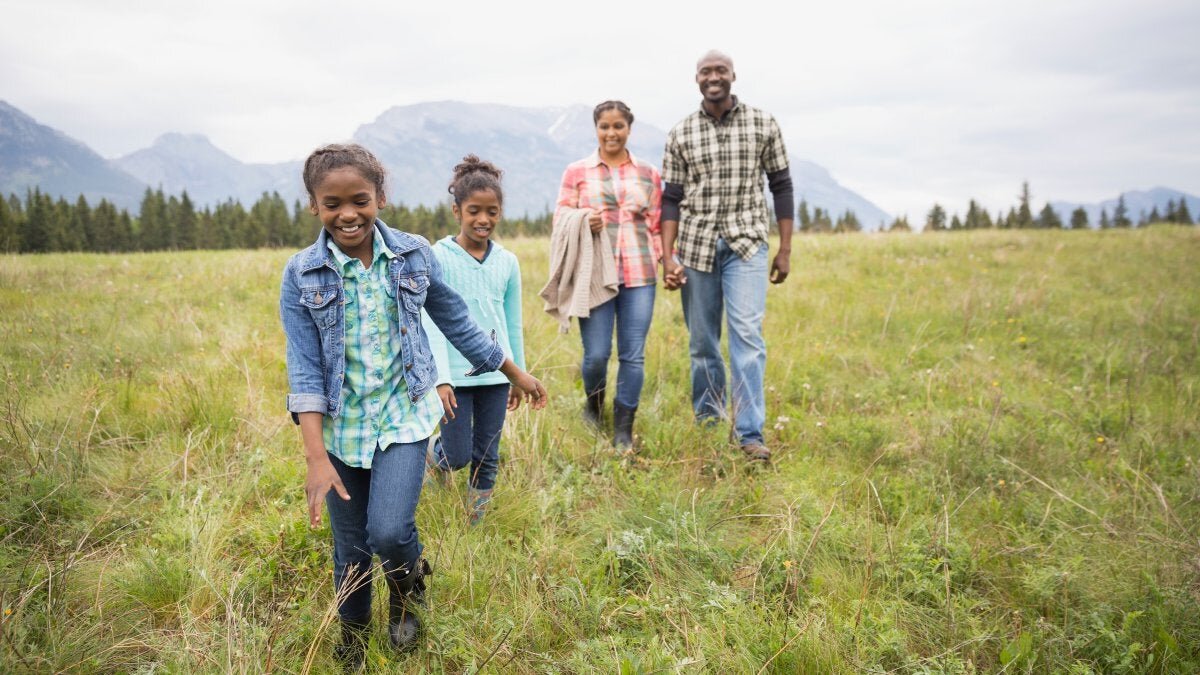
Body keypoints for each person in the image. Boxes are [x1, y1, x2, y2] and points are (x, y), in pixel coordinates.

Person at [279, 143, 547, 668]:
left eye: (360, 199)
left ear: (380, 196)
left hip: (403, 418)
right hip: (339, 431)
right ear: (314, 205)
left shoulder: (412, 254)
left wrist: (512, 369)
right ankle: (353, 635)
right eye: (332, 204)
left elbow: (457, 320)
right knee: (351, 549)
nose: (348, 214)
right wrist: (314, 457)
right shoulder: (301, 274)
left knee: (389, 531)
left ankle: (405, 595)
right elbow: (305, 370)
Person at [660, 50, 795, 462]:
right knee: (702, 344)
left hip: (747, 245)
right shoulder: (681, 132)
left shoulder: (763, 123)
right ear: (696, 79)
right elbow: (670, 199)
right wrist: (668, 257)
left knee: (747, 339)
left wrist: (785, 249)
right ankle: (709, 422)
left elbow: (782, 186)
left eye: (720, 70)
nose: (713, 77)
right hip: (697, 247)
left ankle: (750, 435)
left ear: (733, 75)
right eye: (706, 71)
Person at [554, 100, 662, 450]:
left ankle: (623, 430)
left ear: (629, 128)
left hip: (639, 271)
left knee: (633, 354)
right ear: (596, 129)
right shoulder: (577, 171)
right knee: (596, 354)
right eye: (605, 126)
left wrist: (665, 260)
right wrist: (584, 217)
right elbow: (561, 218)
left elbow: (657, 224)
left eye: (618, 126)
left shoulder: (648, 173)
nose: (611, 133)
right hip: (595, 274)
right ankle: (594, 404)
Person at [423, 155, 525, 524]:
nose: (483, 220)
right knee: (458, 454)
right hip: (455, 378)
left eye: (492, 212)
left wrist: (517, 374)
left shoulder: (507, 262)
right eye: (474, 211)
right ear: (456, 210)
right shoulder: (438, 257)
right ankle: (430, 457)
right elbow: (430, 319)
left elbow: (513, 323)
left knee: (488, 453)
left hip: (497, 377)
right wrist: (441, 378)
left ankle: (474, 524)